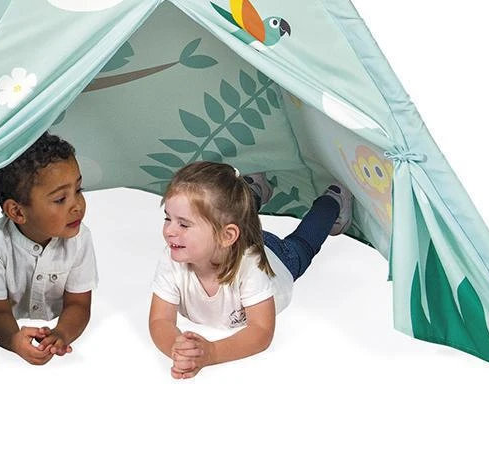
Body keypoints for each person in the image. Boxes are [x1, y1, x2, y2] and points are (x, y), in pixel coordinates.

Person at [149, 161, 352, 379]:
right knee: (230, 216)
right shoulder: (173, 257)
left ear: (227, 236)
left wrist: (211, 353)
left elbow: (261, 331)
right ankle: (253, 189)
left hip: (279, 258)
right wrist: (180, 351)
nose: (169, 231)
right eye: (168, 218)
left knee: (303, 243)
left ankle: (333, 200)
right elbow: (160, 320)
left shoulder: (251, 267)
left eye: (183, 224)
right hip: (234, 238)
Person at [0, 132, 97, 365]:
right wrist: (13, 340)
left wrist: (62, 334)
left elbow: (79, 304)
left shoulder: (80, 238)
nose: (77, 205)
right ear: (17, 212)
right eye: (60, 199)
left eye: (78, 190)